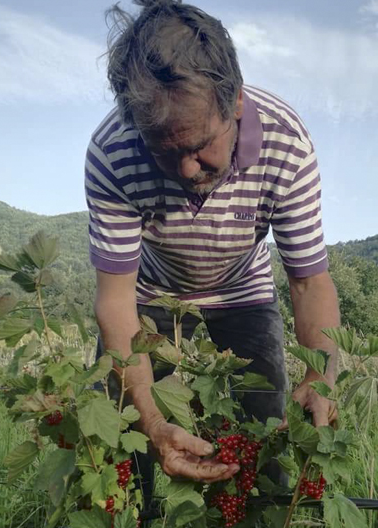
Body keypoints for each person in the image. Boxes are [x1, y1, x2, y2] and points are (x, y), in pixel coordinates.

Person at [85, 0, 340, 489]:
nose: (185, 170)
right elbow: (115, 301)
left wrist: (320, 375)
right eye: (164, 150)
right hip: (148, 300)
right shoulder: (113, 152)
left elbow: (309, 283)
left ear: (236, 102)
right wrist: (153, 422)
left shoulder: (287, 146)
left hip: (244, 296)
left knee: (262, 445)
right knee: (122, 448)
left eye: (199, 144)